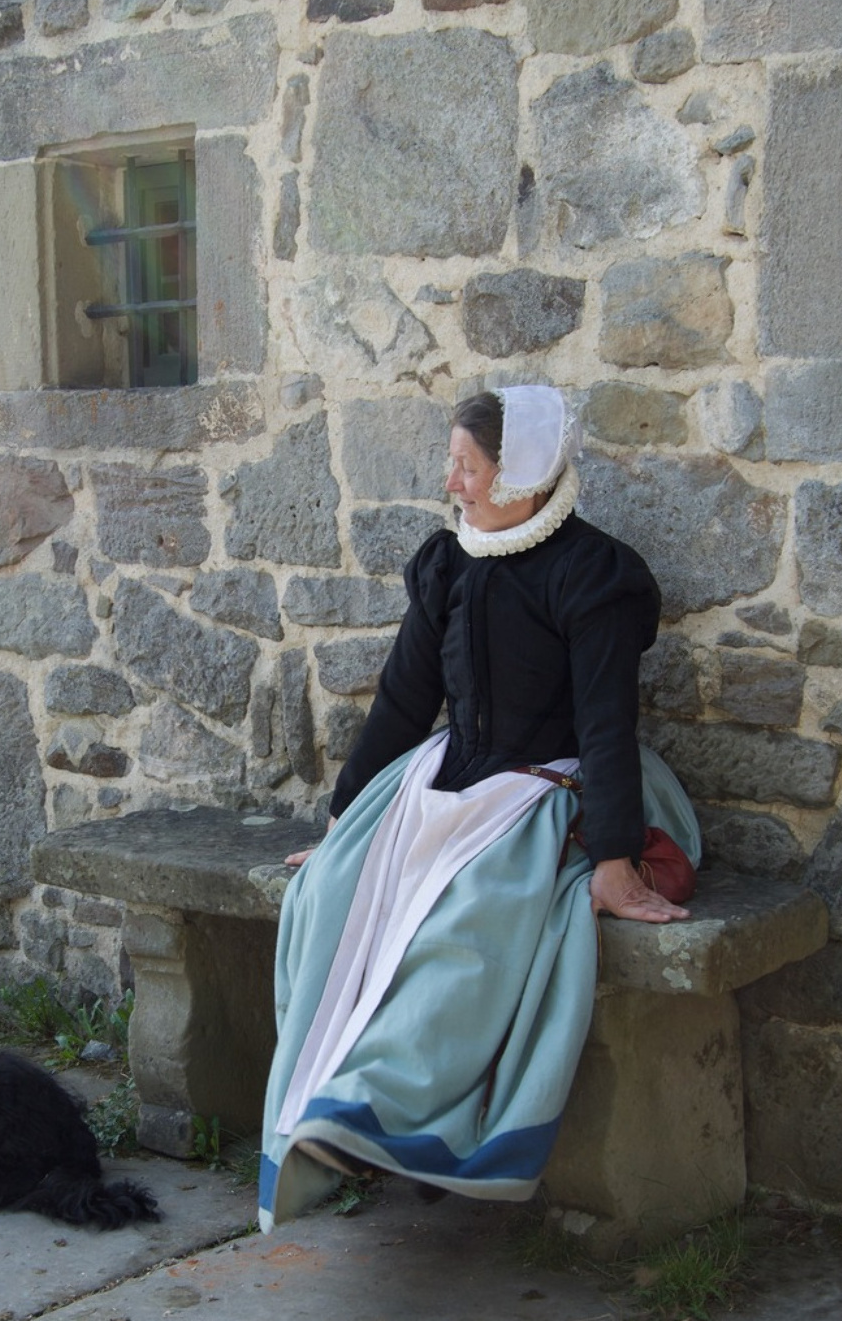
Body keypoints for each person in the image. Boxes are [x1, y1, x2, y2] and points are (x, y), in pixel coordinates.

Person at [258, 384, 700, 1231]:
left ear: (519, 472)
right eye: (451, 462)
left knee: (468, 917)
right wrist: (342, 829)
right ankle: (329, 1099)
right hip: (443, 777)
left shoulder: (593, 576)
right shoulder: (447, 562)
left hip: (547, 784)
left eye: (466, 464)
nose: (450, 481)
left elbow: (606, 722)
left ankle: (390, 1113)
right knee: (326, 895)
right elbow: (402, 701)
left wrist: (612, 859)